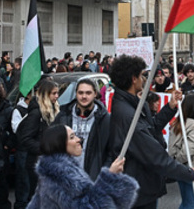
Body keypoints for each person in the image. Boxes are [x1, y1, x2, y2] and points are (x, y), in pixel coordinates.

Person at [108, 55, 194, 209]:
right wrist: (187, 173)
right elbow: (154, 154)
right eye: (142, 75)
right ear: (134, 79)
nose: (145, 79)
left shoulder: (132, 103)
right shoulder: (127, 114)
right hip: (138, 190)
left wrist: (170, 107)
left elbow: (151, 127)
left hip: (142, 186)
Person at [28, 124, 139, 208]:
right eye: (72, 137)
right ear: (59, 143)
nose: (78, 139)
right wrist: (110, 177)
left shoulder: (54, 170)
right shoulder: (61, 176)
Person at [53, 78, 110, 180]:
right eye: (81, 93)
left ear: (95, 94)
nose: (84, 96)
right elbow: (52, 145)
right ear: (76, 94)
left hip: (92, 179)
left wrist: (103, 174)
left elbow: (111, 151)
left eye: (88, 93)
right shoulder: (63, 116)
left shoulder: (105, 119)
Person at [16, 80, 60, 209]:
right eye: (53, 93)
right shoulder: (36, 113)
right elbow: (26, 138)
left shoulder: (55, 109)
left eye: (57, 93)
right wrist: (44, 148)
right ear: (45, 94)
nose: (57, 96)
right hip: (37, 163)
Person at [169, 94, 194, 209]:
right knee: (190, 205)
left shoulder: (177, 124)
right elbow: (188, 152)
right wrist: (179, 161)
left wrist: (175, 163)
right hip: (193, 171)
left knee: (186, 203)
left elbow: (171, 148)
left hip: (181, 171)